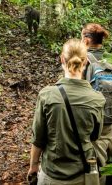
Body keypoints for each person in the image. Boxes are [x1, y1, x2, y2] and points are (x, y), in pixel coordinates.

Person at [27, 39, 105, 184]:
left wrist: (33, 166)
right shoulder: (97, 99)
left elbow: (38, 138)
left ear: (62, 59)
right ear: (86, 61)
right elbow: (95, 136)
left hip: (52, 174)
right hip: (83, 174)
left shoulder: (47, 95)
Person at [81, 23, 112, 166]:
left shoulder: (83, 60)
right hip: (111, 114)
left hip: (91, 118)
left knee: (92, 159)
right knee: (100, 153)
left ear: (86, 40)